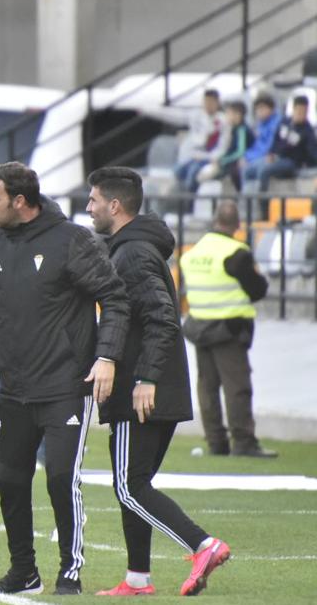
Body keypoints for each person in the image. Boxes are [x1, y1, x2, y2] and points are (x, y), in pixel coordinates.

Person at [0, 161, 129, 596]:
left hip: (65, 386)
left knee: (58, 477)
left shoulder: (72, 241)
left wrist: (106, 356)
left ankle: (70, 571)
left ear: (20, 201)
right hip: (13, 386)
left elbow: (114, 297)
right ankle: (24, 572)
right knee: (11, 481)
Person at [86, 167, 232, 596]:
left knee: (129, 485)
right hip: (151, 386)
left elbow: (162, 319)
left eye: (94, 200)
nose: (89, 207)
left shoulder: (131, 254)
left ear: (115, 205)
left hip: (143, 387)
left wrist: (145, 377)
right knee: (136, 484)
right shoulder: (133, 248)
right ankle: (137, 579)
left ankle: (203, 544)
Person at [179, 200, 274, 458]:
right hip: (229, 328)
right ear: (238, 225)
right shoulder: (236, 252)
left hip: (199, 326)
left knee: (207, 388)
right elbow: (257, 289)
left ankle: (216, 444)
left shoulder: (193, 253)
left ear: (214, 221)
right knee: (236, 387)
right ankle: (243, 443)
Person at [242, 95, 317, 200]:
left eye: (304, 111)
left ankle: (263, 206)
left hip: (291, 162)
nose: (301, 114)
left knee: (264, 171)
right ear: (294, 109)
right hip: (276, 156)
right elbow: (275, 140)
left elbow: (312, 152)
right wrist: (271, 153)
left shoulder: (307, 131)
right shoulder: (284, 122)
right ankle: (247, 202)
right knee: (248, 171)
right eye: (299, 110)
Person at [174, 89, 226, 194]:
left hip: (211, 157)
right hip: (197, 155)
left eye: (211, 102)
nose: (208, 105)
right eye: (206, 102)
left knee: (193, 173)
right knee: (178, 171)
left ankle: (190, 204)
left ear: (217, 103)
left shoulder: (222, 121)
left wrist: (214, 157)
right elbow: (197, 140)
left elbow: (223, 145)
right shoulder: (199, 117)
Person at [195, 100, 253, 192]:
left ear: (238, 115)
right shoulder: (234, 129)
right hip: (227, 161)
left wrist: (222, 161)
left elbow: (240, 152)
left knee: (205, 175)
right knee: (199, 174)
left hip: (237, 163)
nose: (227, 116)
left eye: (229, 114)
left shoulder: (242, 130)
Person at [242, 93, 282, 173]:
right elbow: (257, 145)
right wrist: (246, 156)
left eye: (262, 108)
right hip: (258, 156)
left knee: (248, 169)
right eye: (257, 109)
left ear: (272, 109)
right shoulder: (261, 124)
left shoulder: (277, 123)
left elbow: (269, 147)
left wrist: (249, 158)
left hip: (271, 157)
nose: (259, 112)